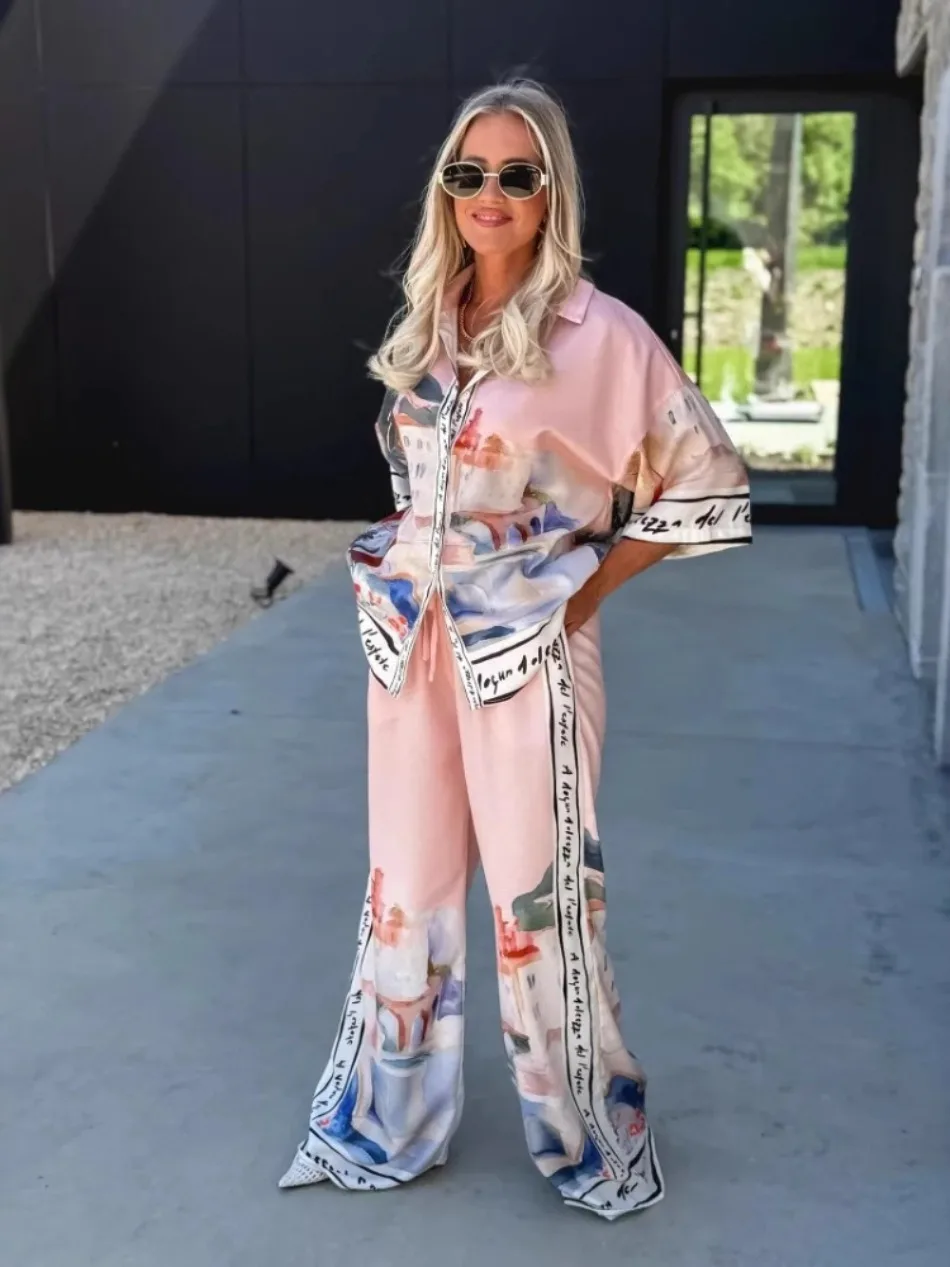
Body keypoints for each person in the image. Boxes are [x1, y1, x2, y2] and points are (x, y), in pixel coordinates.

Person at [279, 79, 751, 1221]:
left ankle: (588, 1131)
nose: (488, 193)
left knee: (540, 905)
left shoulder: (600, 335)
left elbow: (705, 477)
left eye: (515, 174)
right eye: (468, 173)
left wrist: (585, 595)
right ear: (445, 191)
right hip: (410, 651)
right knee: (407, 890)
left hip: (527, 658)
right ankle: (389, 1116)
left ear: (550, 194)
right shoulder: (429, 323)